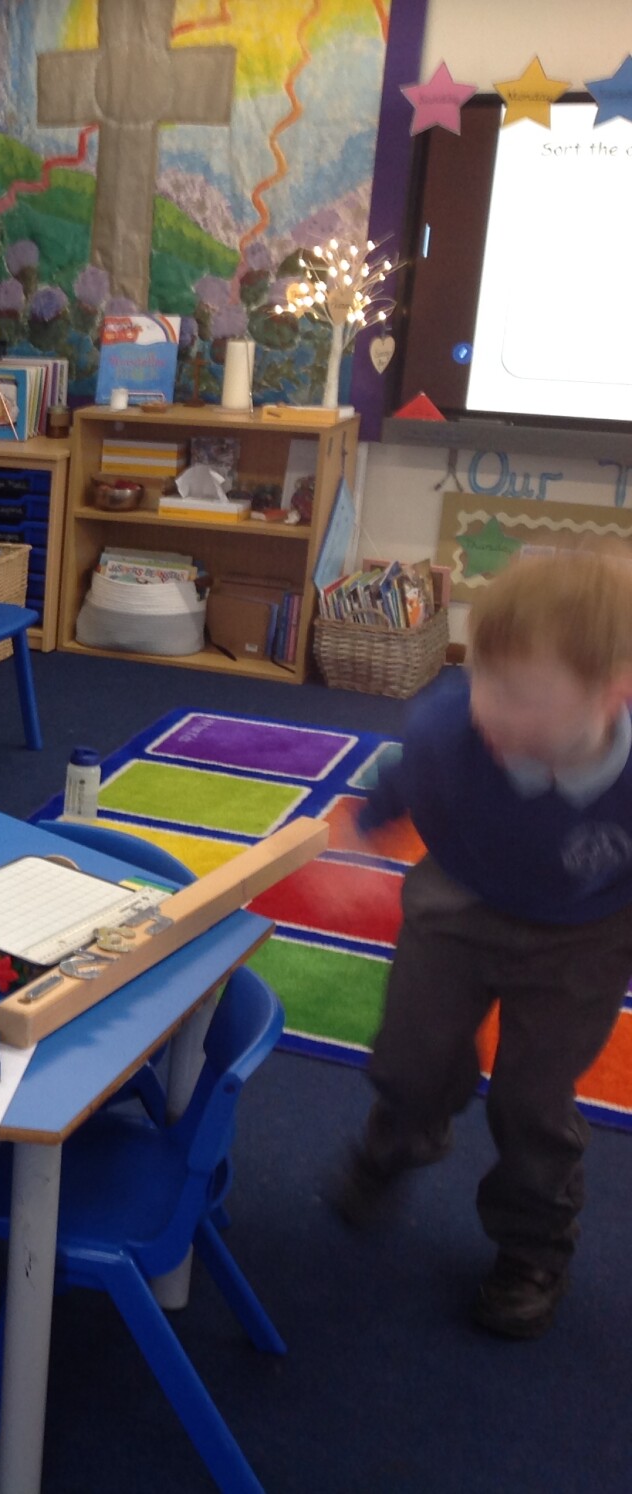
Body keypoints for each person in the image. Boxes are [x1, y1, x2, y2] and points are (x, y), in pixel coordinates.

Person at [338, 548, 632, 1339]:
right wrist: (363, 826)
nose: (489, 711)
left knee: (534, 1099)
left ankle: (533, 1248)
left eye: (522, 695)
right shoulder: (451, 729)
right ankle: (406, 1131)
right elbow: (407, 774)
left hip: (586, 932)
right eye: (481, 678)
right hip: (461, 896)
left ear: (613, 694)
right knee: (411, 1054)